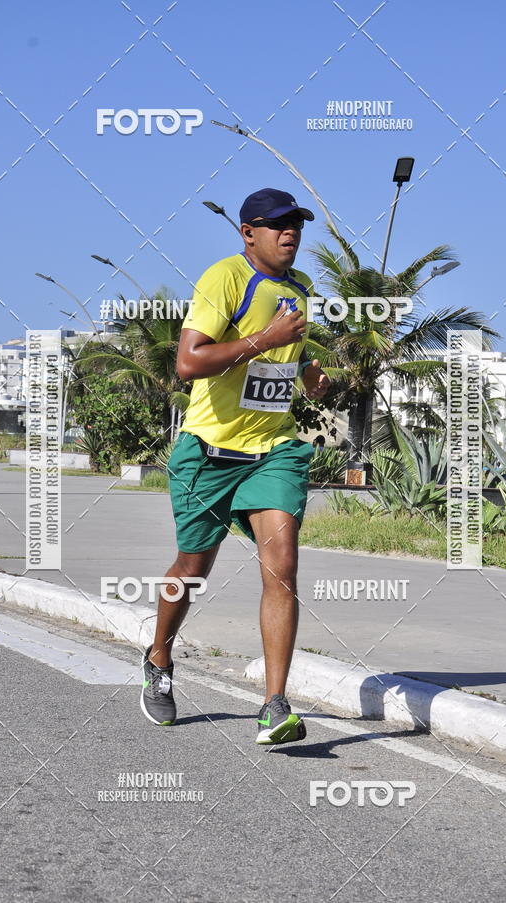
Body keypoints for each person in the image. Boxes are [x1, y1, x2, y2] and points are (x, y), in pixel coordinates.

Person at [141, 188, 330, 744]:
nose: (290, 232)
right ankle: (159, 656)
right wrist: (264, 339)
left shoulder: (301, 287)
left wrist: (307, 371)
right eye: (278, 224)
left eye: (297, 224)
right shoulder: (224, 277)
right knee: (192, 568)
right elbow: (188, 362)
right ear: (248, 233)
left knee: (283, 564)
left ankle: (274, 705)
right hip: (209, 452)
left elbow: (287, 353)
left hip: (273, 450)